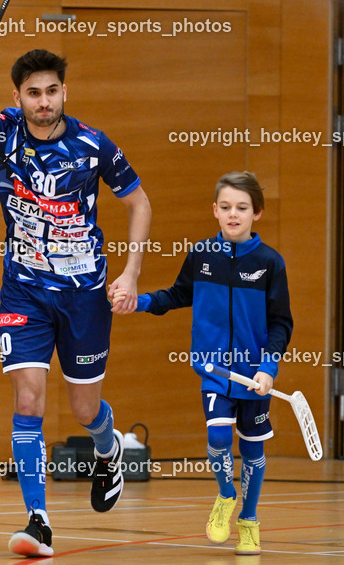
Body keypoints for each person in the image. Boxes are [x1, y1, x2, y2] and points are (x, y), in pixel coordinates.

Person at [0, 48, 151, 557]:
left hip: (85, 296)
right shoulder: (4, 130)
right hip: (24, 290)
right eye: (33, 93)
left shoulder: (92, 144)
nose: (43, 102)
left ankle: (109, 447)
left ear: (64, 92)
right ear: (18, 96)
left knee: (83, 408)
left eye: (51, 91)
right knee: (29, 399)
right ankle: (38, 520)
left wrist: (129, 272)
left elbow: (139, 203)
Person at [116, 171, 292, 555]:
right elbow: (178, 295)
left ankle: (248, 519)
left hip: (252, 376)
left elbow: (281, 324)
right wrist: (139, 301)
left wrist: (268, 368)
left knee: (252, 452)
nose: (233, 214)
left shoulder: (269, 263)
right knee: (216, 437)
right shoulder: (201, 255)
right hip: (213, 371)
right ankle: (225, 495)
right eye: (226, 207)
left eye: (242, 208)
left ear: (256, 213)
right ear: (215, 210)